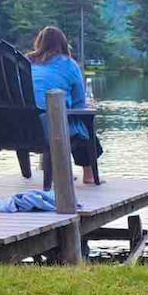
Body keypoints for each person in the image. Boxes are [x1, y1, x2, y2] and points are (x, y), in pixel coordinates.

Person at [28, 26, 102, 184]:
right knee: (83, 124)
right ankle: (89, 176)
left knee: (57, 117)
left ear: (39, 43)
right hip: (52, 128)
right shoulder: (69, 64)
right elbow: (79, 103)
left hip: (23, 128)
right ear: (63, 44)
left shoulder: (26, 63)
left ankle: (54, 171)